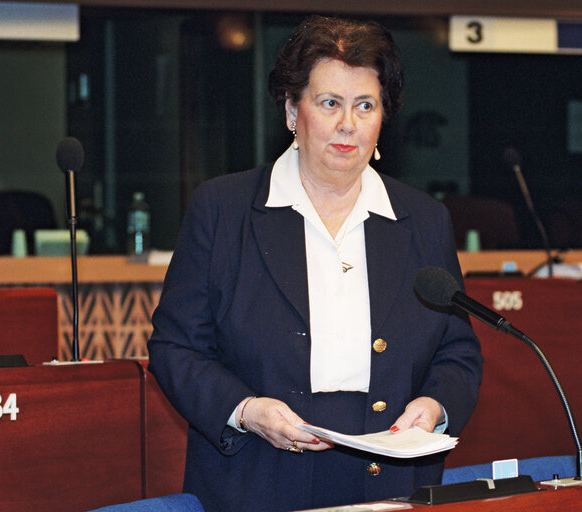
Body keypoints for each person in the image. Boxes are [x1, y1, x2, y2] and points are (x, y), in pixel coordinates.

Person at [147, 15, 482, 512]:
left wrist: (434, 407)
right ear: (291, 111)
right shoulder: (224, 209)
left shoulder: (423, 219)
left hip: (390, 476)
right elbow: (176, 347)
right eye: (330, 103)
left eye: (365, 105)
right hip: (257, 473)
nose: (348, 124)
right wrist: (245, 410)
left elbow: (458, 353)